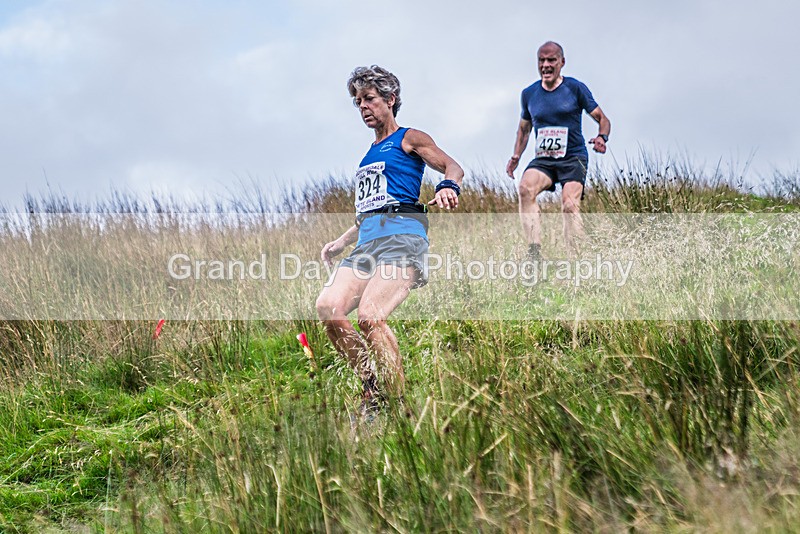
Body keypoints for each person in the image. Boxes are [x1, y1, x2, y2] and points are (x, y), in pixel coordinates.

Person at [316, 65, 464, 414]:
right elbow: (371, 209)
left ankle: (396, 404)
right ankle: (372, 390)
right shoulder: (367, 156)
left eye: (369, 98)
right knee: (328, 308)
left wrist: (448, 186)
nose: (363, 107)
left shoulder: (409, 138)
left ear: (390, 99)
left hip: (402, 239)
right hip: (366, 244)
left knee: (370, 317)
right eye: (358, 102)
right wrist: (341, 241)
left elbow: (453, 167)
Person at [506, 41, 611, 259]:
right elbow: (524, 129)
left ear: (562, 62)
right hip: (544, 160)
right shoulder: (529, 94)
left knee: (570, 206)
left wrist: (602, 137)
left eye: (551, 60)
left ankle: (576, 260)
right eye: (541, 60)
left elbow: (603, 119)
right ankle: (534, 254)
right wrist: (516, 156)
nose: (546, 65)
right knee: (525, 189)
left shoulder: (575, 88)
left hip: (573, 157)